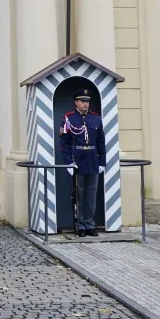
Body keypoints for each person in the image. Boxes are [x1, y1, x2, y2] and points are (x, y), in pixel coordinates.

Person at [59, 89, 105, 237]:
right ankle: (80, 226)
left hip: (92, 160)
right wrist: (68, 163)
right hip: (77, 161)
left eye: (87, 101)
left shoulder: (96, 118)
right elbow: (64, 143)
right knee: (79, 194)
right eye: (82, 101)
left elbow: (101, 141)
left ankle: (90, 225)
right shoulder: (69, 118)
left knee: (91, 195)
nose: (85, 104)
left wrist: (102, 162)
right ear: (76, 102)